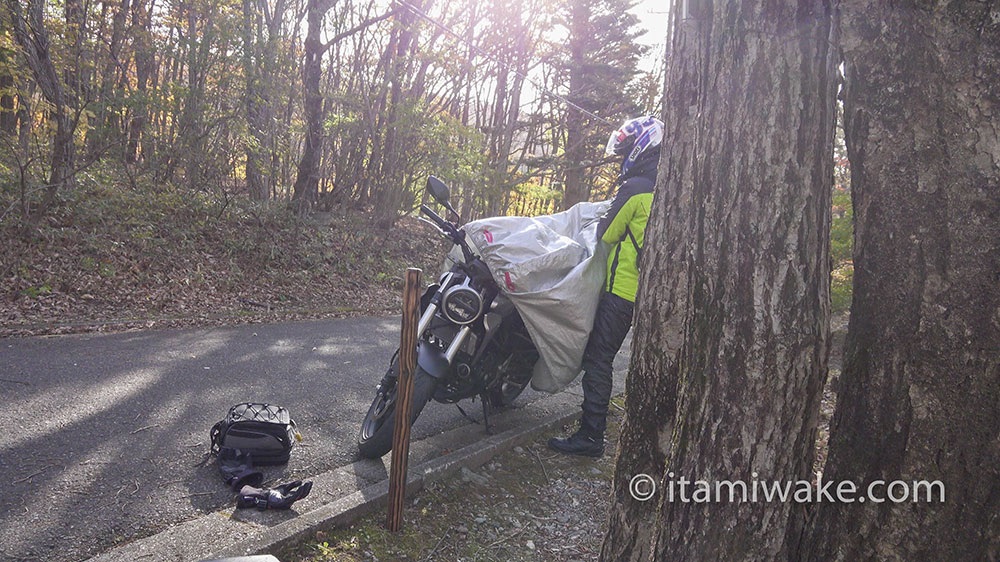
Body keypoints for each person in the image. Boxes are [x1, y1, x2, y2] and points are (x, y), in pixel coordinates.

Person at [548, 115, 663, 458]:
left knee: (598, 359)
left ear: (642, 147)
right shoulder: (667, 185)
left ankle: (591, 436)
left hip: (623, 291)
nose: (623, 157)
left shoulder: (637, 187)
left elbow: (607, 233)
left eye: (626, 149)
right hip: (651, 293)